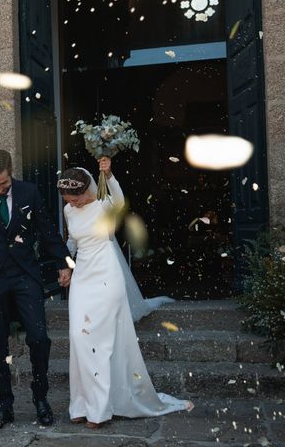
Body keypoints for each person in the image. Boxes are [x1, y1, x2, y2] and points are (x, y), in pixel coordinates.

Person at [58, 157, 193, 429]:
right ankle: (82, 404)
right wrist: (66, 267)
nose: (72, 203)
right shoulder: (69, 211)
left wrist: (108, 174)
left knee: (104, 341)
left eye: (75, 198)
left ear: (87, 190)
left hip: (107, 276)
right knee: (79, 337)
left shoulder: (104, 205)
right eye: (68, 199)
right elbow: (72, 242)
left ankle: (99, 409)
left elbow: (118, 199)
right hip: (83, 277)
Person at [0, 149, 72, 431]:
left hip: (25, 277)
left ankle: (40, 399)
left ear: (11, 171)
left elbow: (47, 230)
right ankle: (3, 406)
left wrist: (64, 263)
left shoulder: (29, 192)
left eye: (3, 184)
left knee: (39, 337)